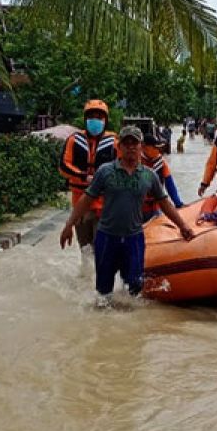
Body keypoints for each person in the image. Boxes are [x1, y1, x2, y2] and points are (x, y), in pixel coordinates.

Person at [60, 125, 195, 305]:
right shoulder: (105, 172)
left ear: (141, 147)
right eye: (126, 143)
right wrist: (69, 225)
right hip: (107, 238)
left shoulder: (149, 176)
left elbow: (165, 203)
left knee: (134, 293)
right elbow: (86, 199)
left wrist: (183, 226)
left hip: (134, 239)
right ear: (119, 147)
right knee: (103, 294)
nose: (131, 147)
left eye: (135, 143)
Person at [58, 99, 116, 256]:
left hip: (104, 204)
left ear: (105, 120)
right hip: (80, 204)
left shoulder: (114, 141)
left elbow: (123, 168)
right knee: (85, 250)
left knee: (101, 248)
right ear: (85, 119)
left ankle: (101, 278)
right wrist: (84, 176)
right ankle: (86, 277)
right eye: (91, 117)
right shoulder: (74, 140)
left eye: (99, 117)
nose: (95, 120)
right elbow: (63, 166)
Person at [141, 132, 185, 221]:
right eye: (154, 147)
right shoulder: (135, 161)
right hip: (137, 208)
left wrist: (178, 203)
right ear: (144, 146)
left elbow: (170, 184)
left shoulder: (160, 162)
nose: (157, 150)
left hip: (156, 207)